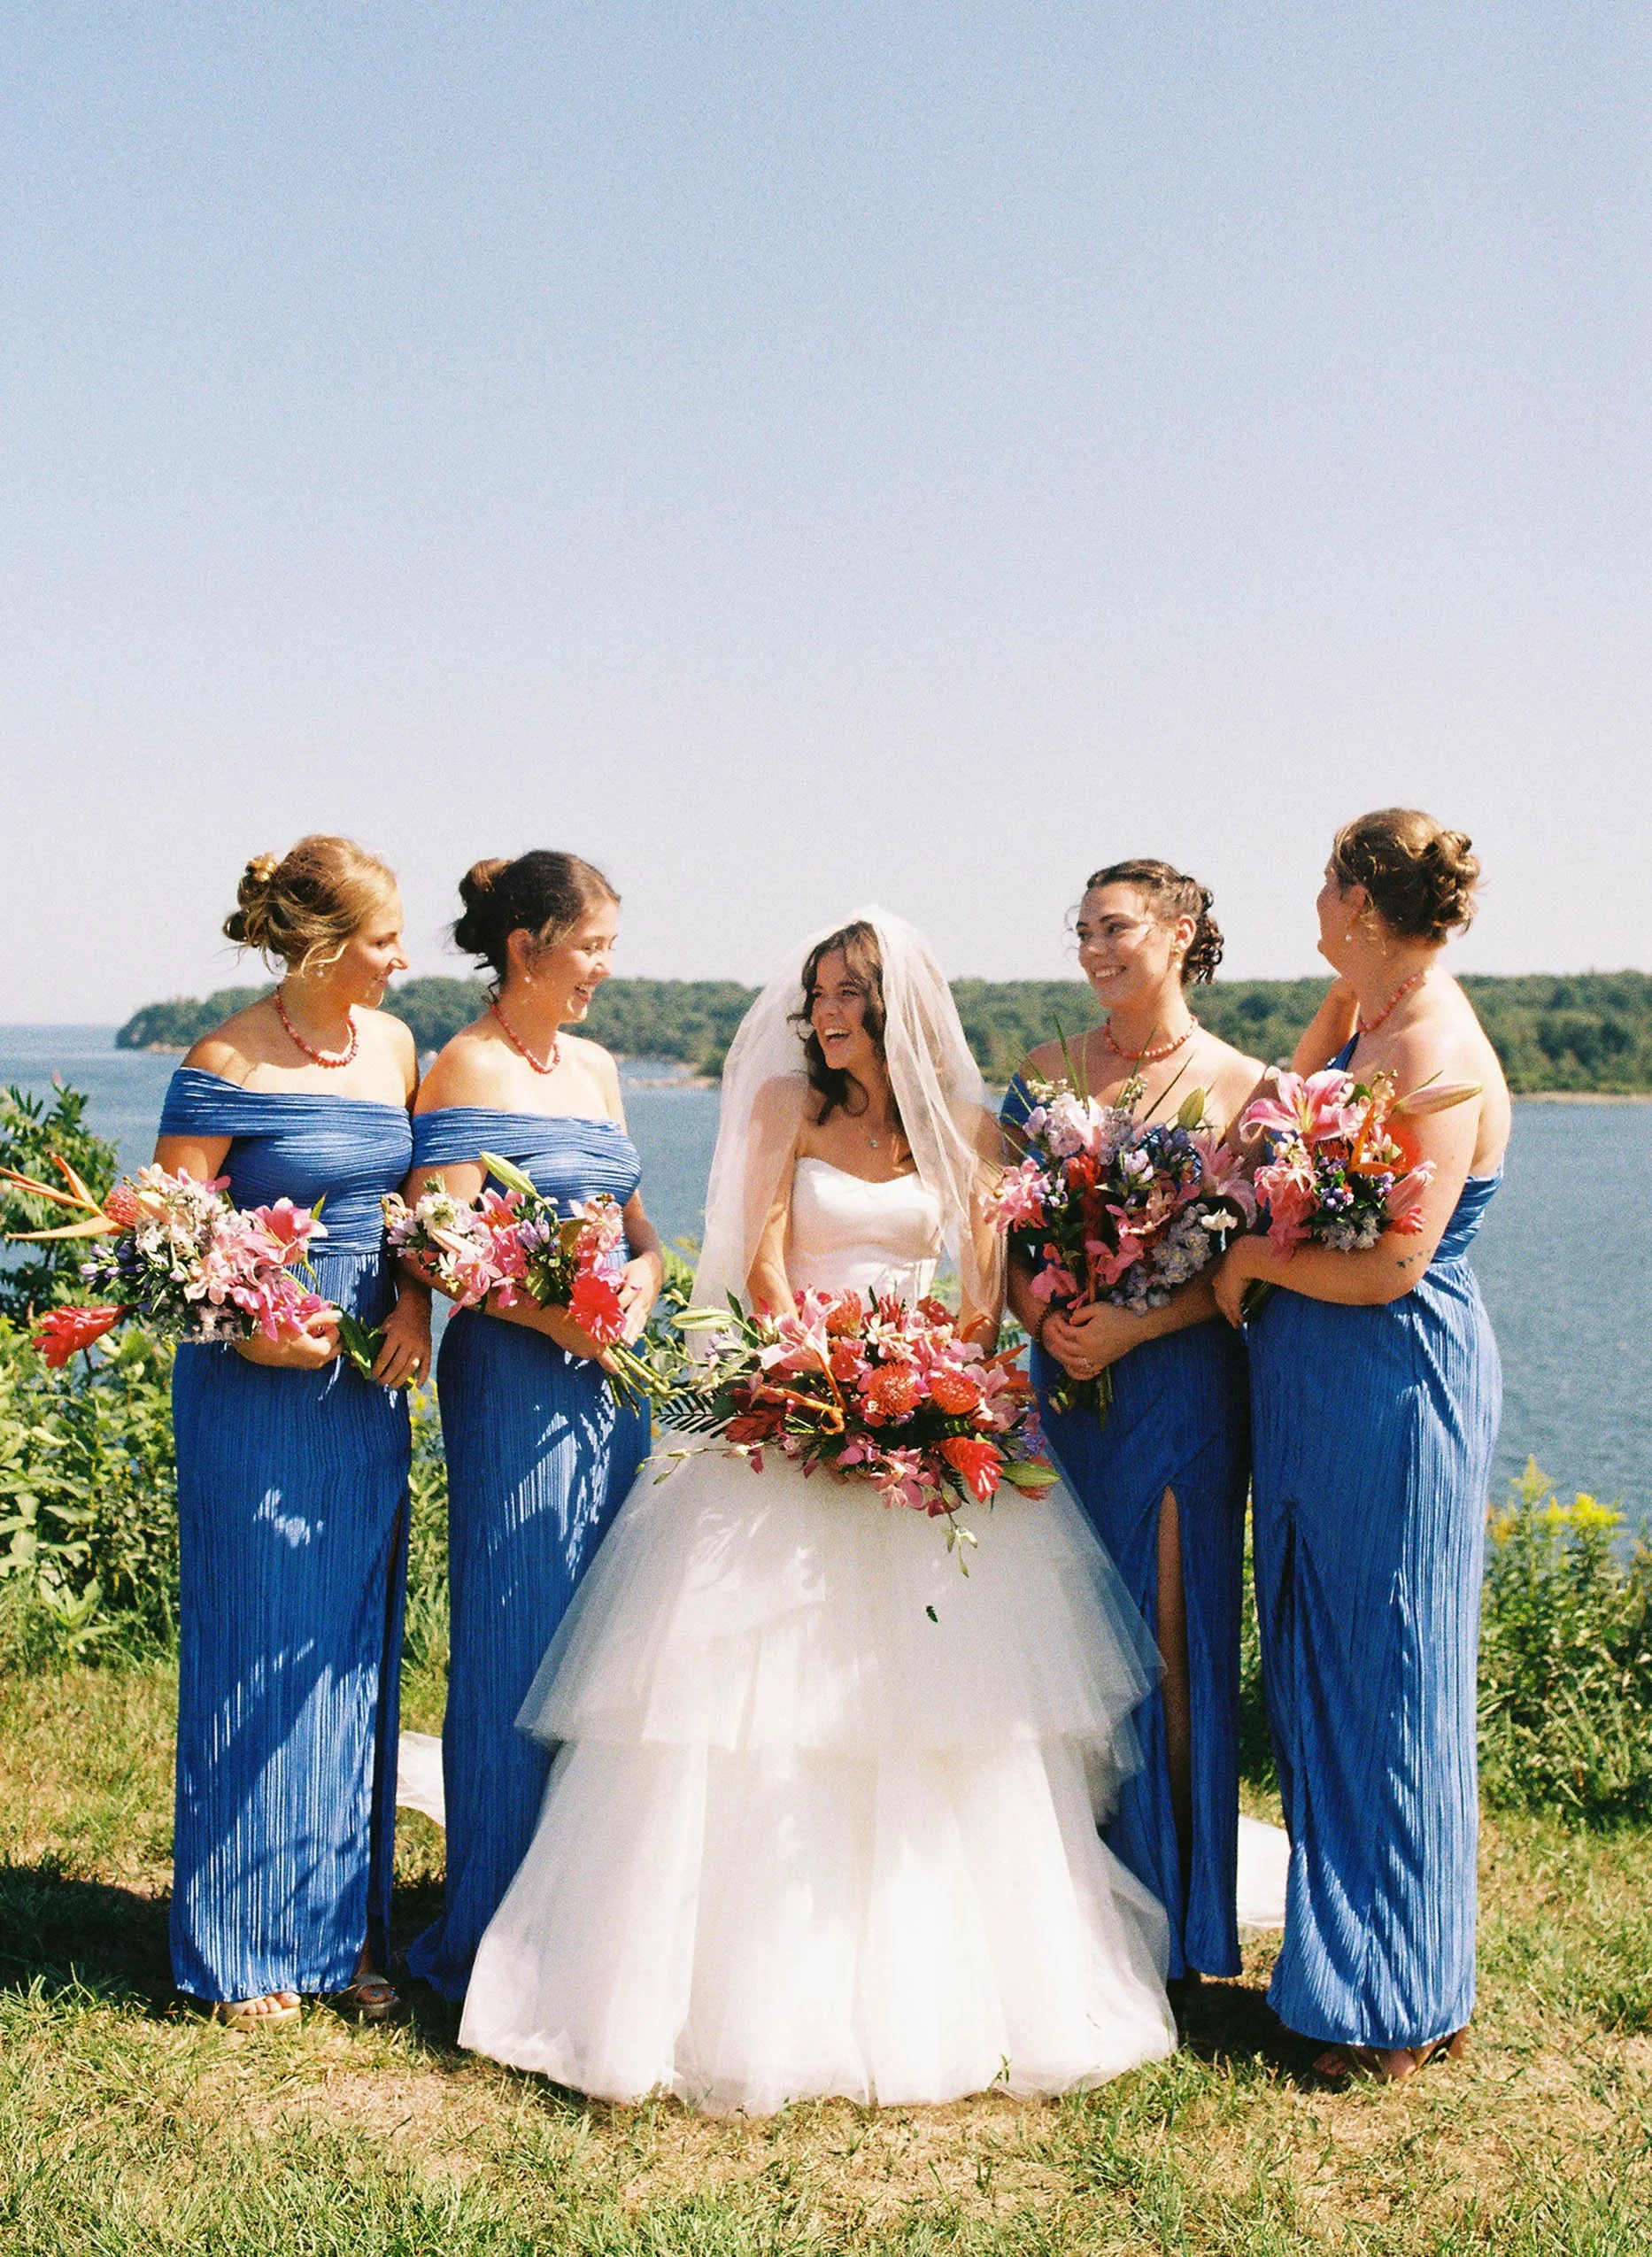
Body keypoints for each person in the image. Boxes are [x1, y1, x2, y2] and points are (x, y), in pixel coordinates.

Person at [458, 909, 1177, 2112]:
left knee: (941, 1712)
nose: (828, 1013)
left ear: (896, 1008)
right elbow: (763, 1259)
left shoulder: (969, 1130)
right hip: (790, 1400)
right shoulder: (782, 1105)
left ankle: (946, 1982)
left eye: (851, 994)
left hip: (924, 1420)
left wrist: (931, 1387)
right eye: (818, 994)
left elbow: (983, 1296)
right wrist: (825, 1375)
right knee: (740, 1706)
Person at [1215, 809, 1509, 2083]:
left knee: (1390, 1668)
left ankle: (1395, 2003)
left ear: (1361, 904)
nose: (1312, 904)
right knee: (1320, 1662)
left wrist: (1246, 1257)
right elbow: (1262, 1126)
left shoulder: (1439, 1049)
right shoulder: (1358, 1015)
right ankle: (1352, 1972)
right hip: (1313, 1379)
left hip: (1392, 1382)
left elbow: (1395, 1260)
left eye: (1324, 885)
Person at [155, 837, 426, 2029]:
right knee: (257, 1644)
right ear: (319, 947)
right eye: (380, 940)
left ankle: (333, 1939)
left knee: (344, 1656)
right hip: (252, 1394)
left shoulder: (399, 1047)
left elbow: (414, 1211)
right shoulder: (222, 1059)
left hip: (363, 1391)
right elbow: (162, 1245)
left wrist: (416, 1298)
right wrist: (254, 1329)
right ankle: (237, 1948)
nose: (400, 960)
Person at [404, 851, 661, 2003]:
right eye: (592, 945)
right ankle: (499, 1926)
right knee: (517, 1635)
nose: (605, 967)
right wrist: (563, 1313)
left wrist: (638, 1292)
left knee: (607, 1638)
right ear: (526, 947)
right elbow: (439, 1246)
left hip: (613, 1380)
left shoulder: (599, 1066)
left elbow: (642, 1235)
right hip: (514, 1374)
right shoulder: (464, 1065)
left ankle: (590, 1911)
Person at [1002, 860, 1262, 1984]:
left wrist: (1133, 1330)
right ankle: (1063, 1917)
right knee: (1055, 1647)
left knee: (1167, 1648)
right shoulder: (1044, 1074)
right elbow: (1005, 1239)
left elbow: (1250, 1272)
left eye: (1116, 928)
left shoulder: (1247, 1087)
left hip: (1181, 1388)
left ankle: (1172, 1930)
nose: (1095, 949)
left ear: (1180, 931)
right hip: (1064, 1379)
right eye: (1084, 931)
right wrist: (1048, 1312)